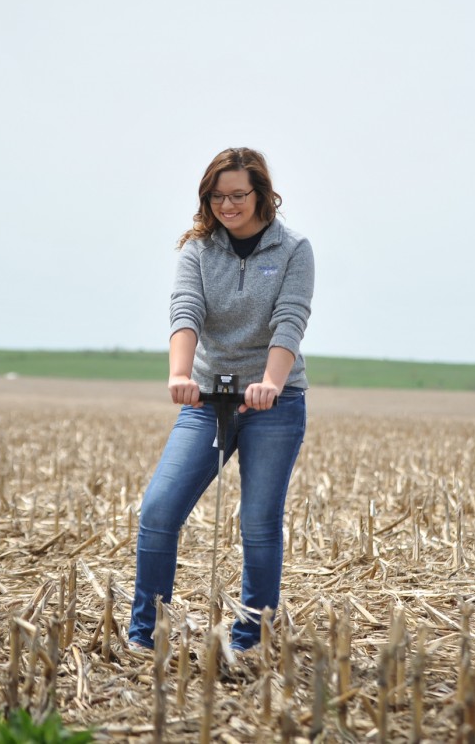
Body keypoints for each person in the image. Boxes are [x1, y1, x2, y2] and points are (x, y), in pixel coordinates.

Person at [128, 147, 314, 652]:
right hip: (207, 398)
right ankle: (146, 634)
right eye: (217, 196)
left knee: (257, 522)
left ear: (262, 195)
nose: (227, 206)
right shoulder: (198, 250)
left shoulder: (293, 249)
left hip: (274, 402)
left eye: (237, 195)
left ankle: (250, 639)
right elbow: (185, 311)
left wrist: (271, 383)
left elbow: (290, 320)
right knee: (159, 510)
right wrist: (180, 374)